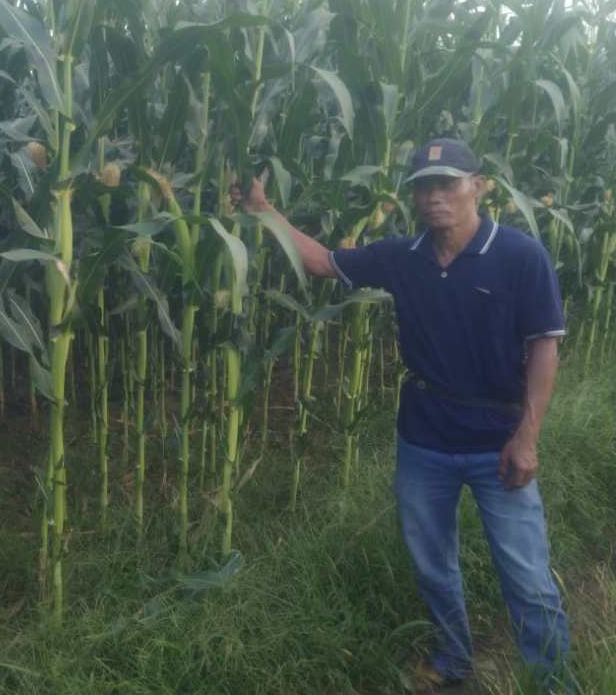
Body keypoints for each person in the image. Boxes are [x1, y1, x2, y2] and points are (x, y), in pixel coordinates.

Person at [238, 138, 570, 692]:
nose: (435, 196)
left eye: (448, 184)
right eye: (424, 187)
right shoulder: (404, 256)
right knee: (432, 565)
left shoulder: (519, 255)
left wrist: (528, 436)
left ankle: (554, 680)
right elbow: (322, 262)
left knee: (528, 578)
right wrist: (263, 210)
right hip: (424, 440)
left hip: (498, 441)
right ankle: (453, 659)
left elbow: (545, 346)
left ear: (479, 187)